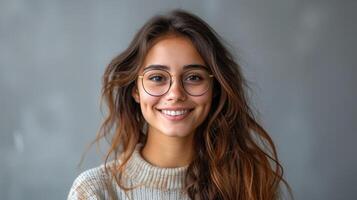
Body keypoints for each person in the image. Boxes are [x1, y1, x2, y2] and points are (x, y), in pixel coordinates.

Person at [67, 9, 291, 200]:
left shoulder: (253, 184)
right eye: (157, 77)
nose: (175, 94)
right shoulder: (94, 191)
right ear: (135, 90)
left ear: (215, 89)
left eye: (193, 77)